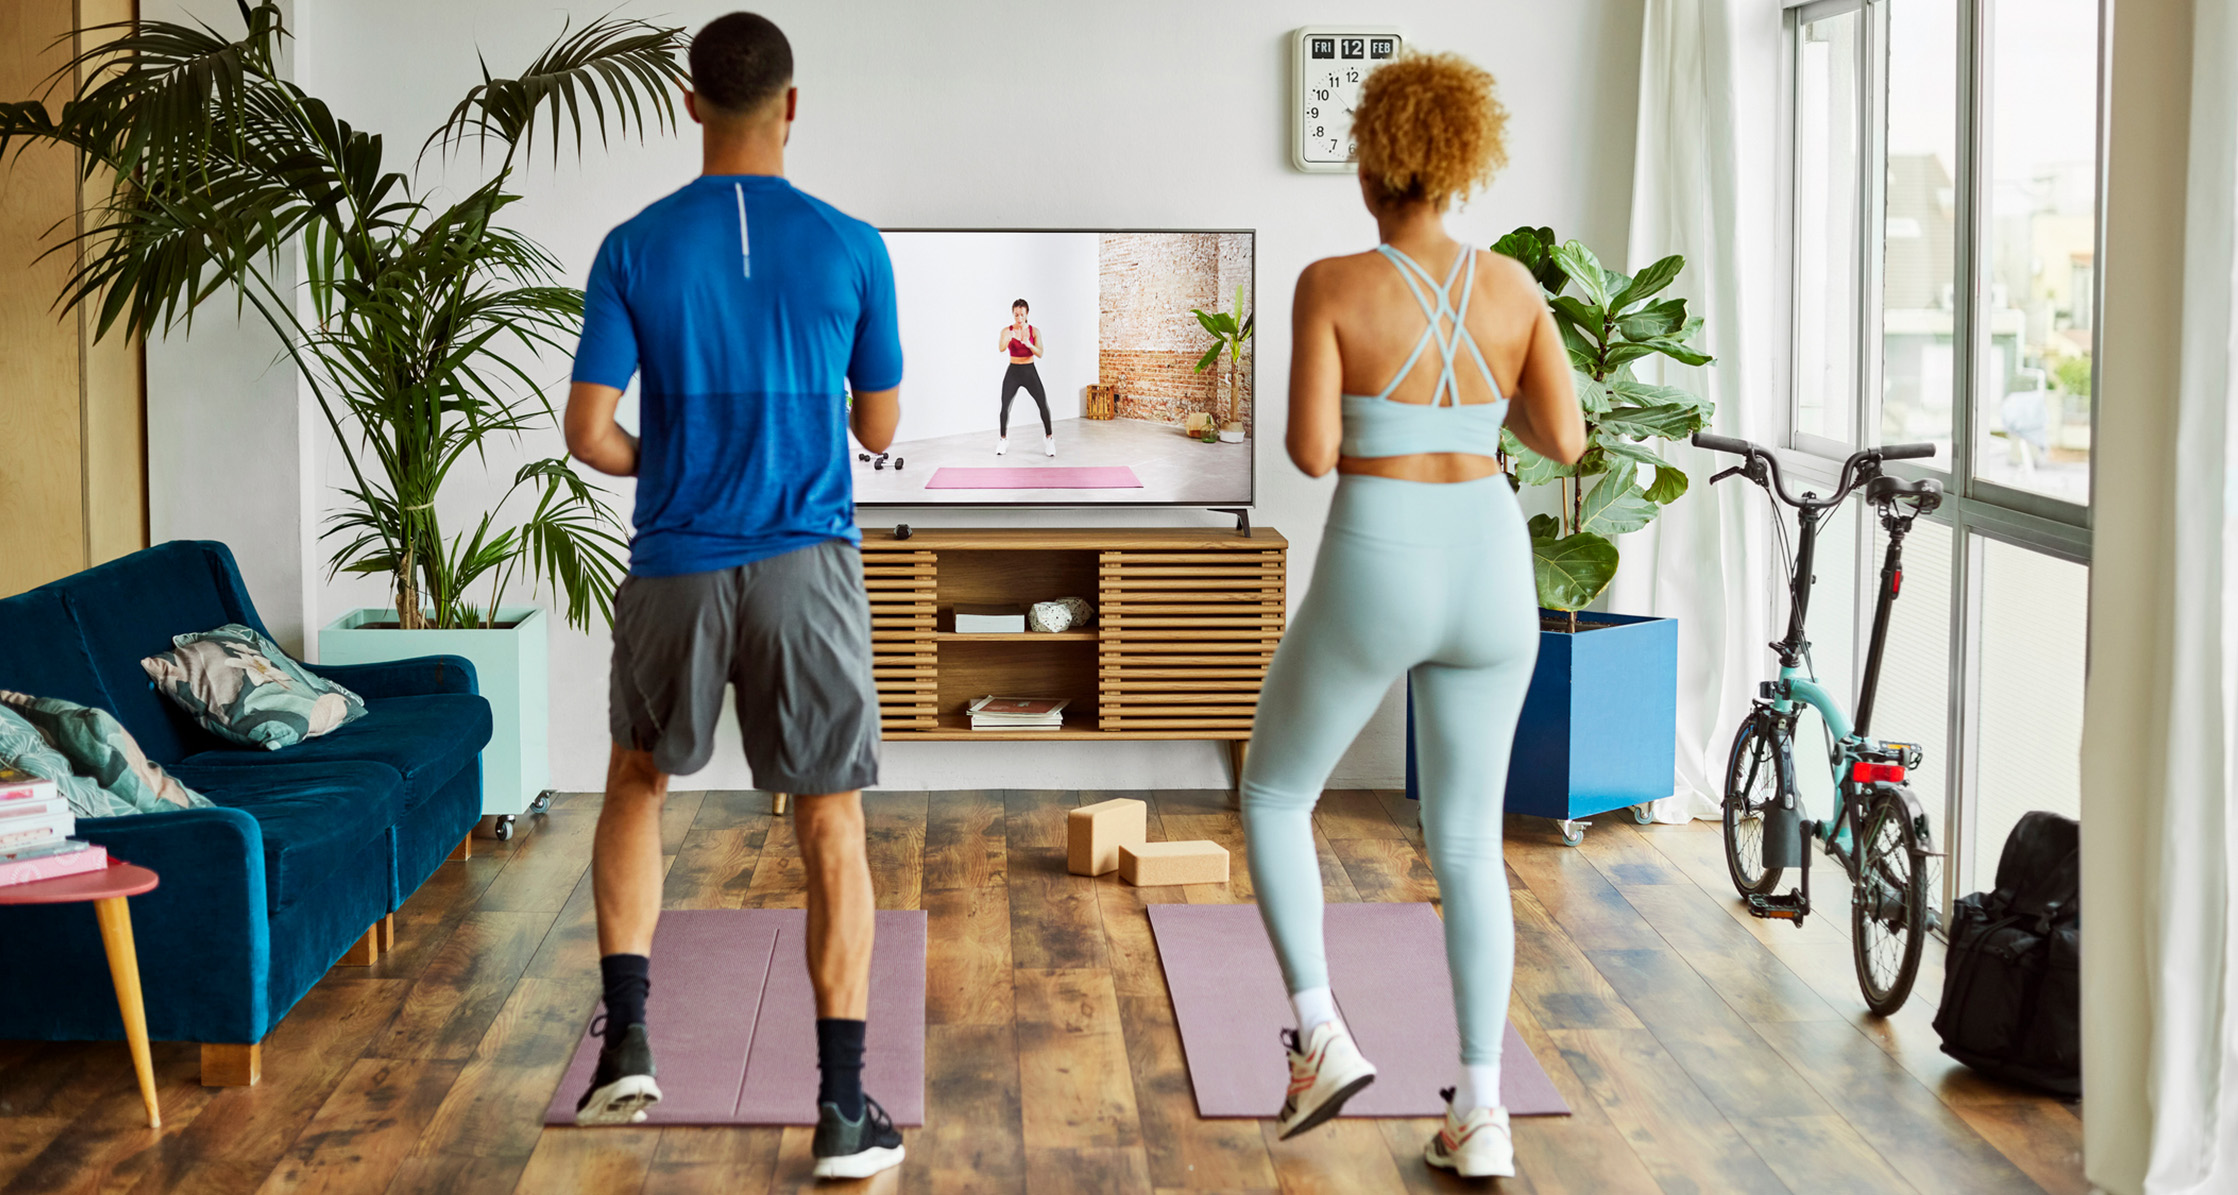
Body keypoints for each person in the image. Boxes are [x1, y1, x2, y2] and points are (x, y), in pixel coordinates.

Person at [561, 12, 907, 1181]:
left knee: (637, 782)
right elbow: (877, 424)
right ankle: (845, 1112)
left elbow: (588, 433)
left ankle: (628, 1052)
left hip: (675, 563)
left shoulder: (634, 245)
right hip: (807, 562)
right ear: (792, 105)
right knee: (831, 821)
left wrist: (669, 460)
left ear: (690, 102)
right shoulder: (854, 245)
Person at [1238, 51, 1585, 1181]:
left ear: (1372, 159)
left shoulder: (1334, 283)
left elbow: (1312, 451)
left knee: (1280, 789)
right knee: (1471, 843)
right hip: (1489, 558)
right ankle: (1480, 1109)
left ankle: (1320, 1034)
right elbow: (1565, 441)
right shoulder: (1515, 288)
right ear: (1463, 159)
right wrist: (1474, 411)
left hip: (1379, 553)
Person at [995, 298, 1054, 456]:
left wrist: (1029, 345)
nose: (1019, 318)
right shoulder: (1007, 331)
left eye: (1022, 315)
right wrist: (1007, 339)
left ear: (1027, 314)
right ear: (1013, 314)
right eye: (1016, 315)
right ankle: (1002, 440)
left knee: (1042, 403)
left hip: (1029, 371)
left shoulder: (1034, 331)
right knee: (1005, 406)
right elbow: (1001, 348)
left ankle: (1049, 439)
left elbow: (1040, 353)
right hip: (1013, 371)